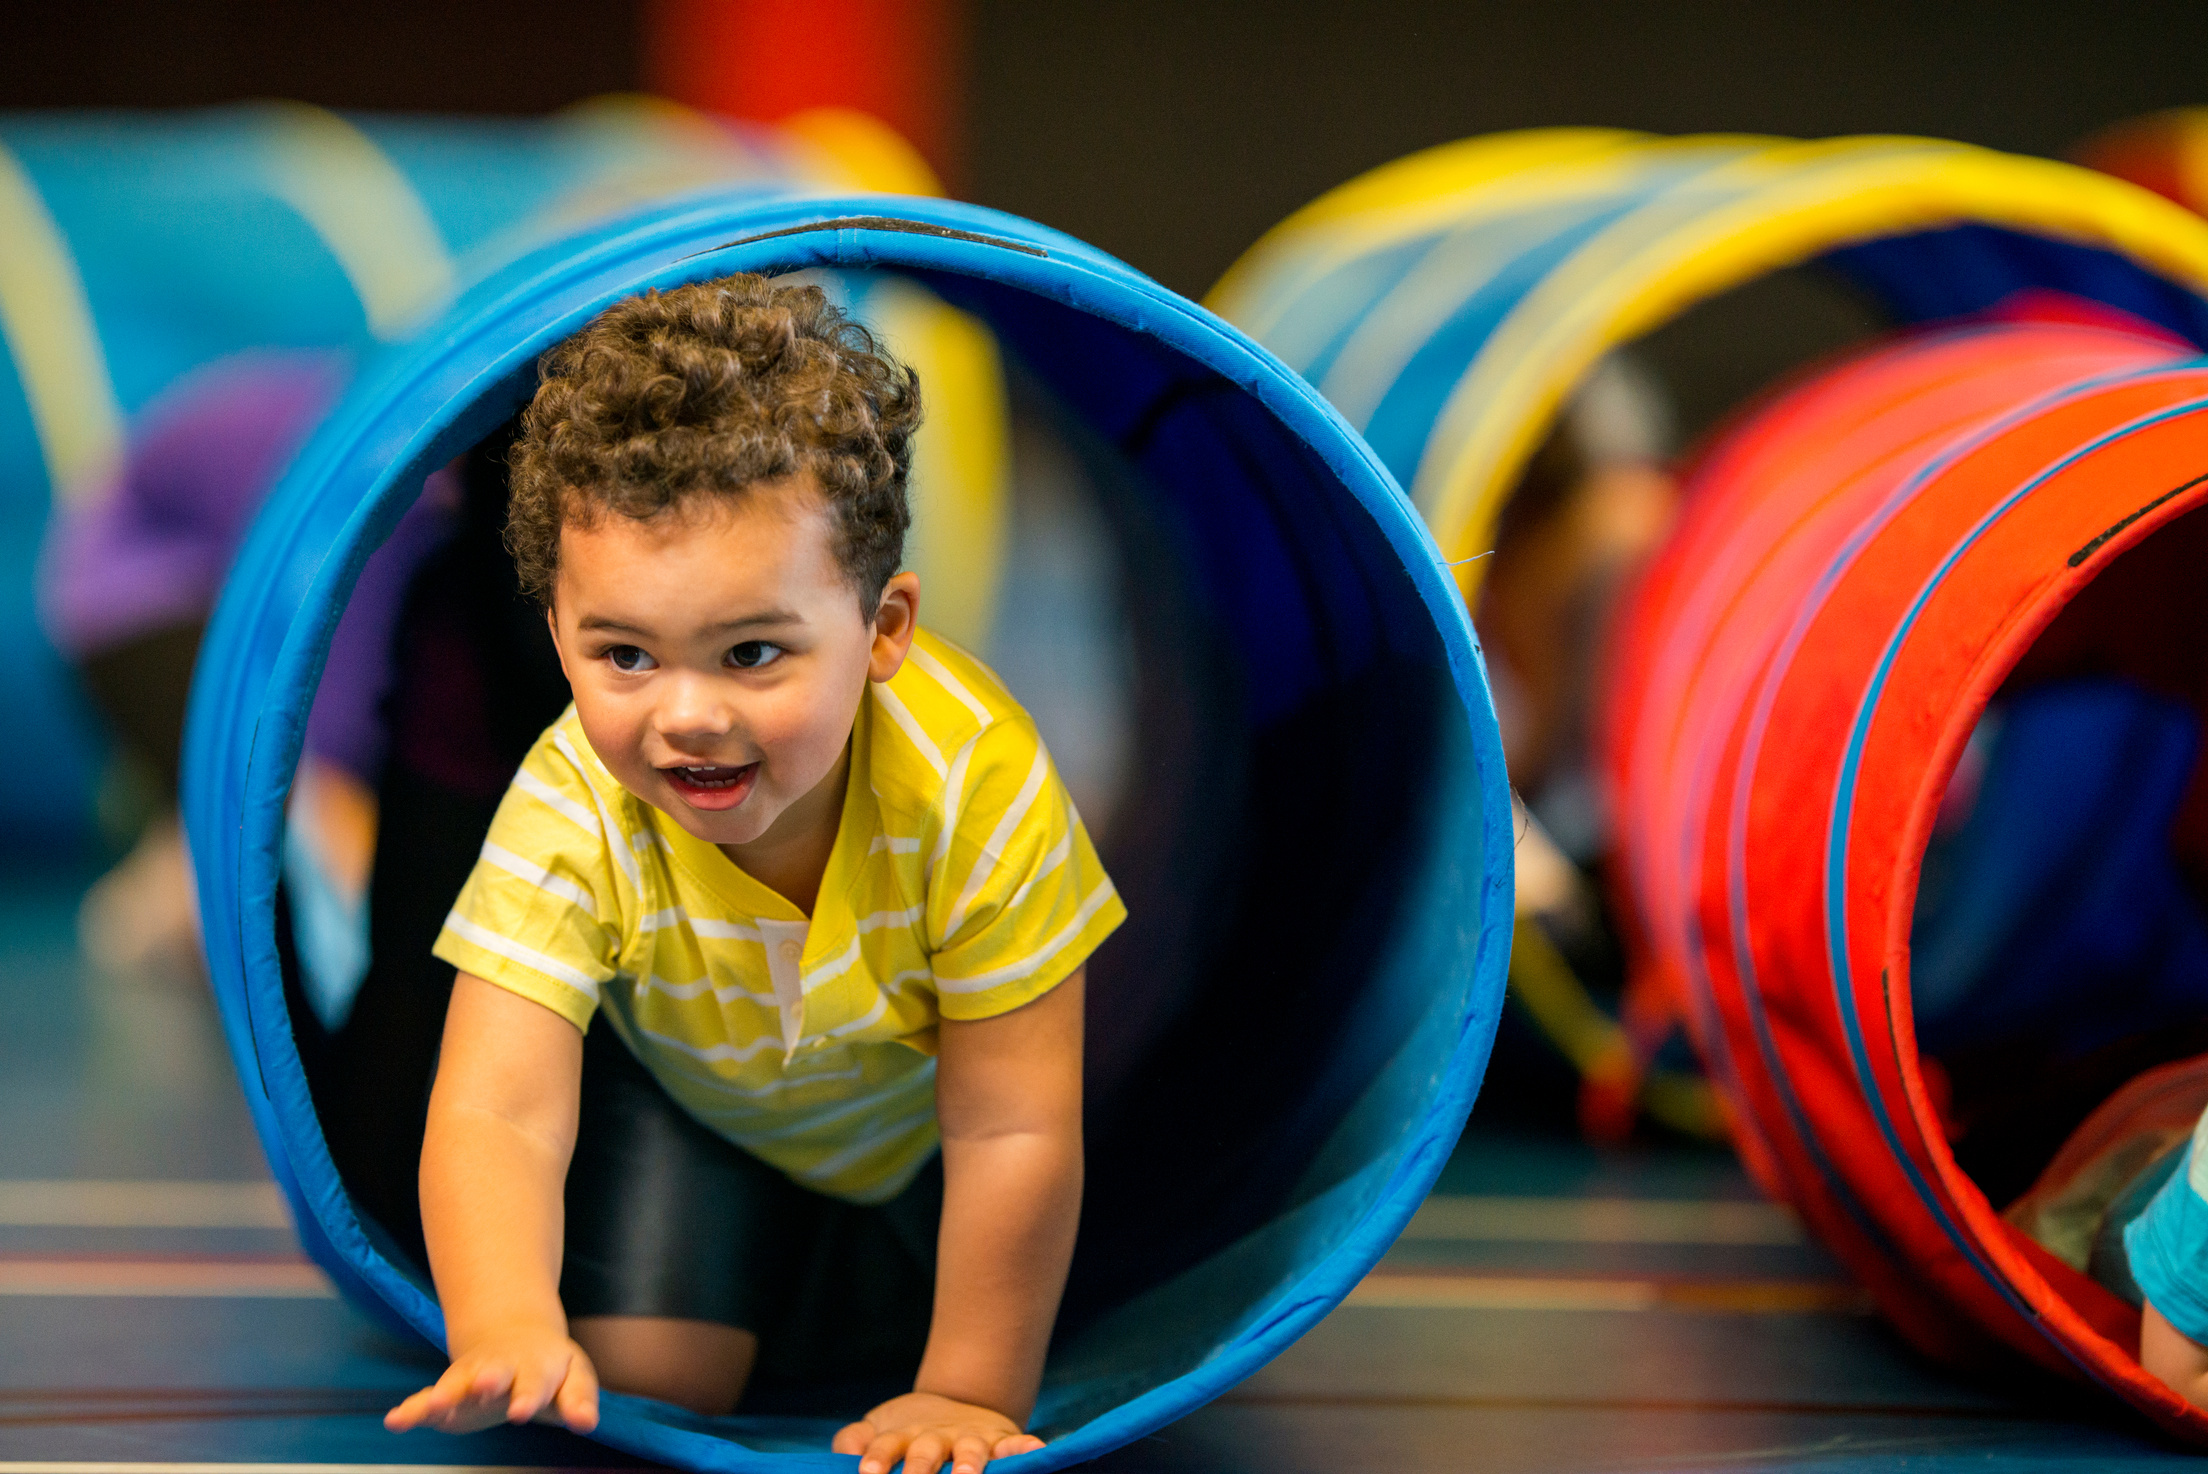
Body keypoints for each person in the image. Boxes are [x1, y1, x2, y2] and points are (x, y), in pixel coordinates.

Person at [381, 275, 1123, 1474]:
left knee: (1019, 1306)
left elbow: (1012, 1121)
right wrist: (505, 1319)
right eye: (623, 653)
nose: (688, 716)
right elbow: (496, 1106)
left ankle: (834, 1281)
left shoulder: (973, 787)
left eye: (753, 652)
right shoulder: (577, 802)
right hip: (700, 1104)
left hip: (919, 1135)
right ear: (558, 630)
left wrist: (969, 1389)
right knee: (647, 1389)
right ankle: (771, 1280)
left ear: (883, 629)